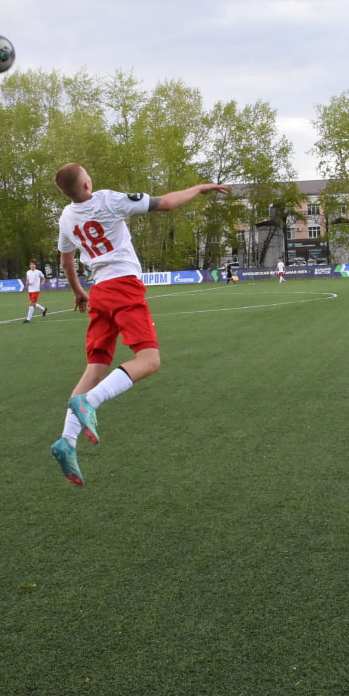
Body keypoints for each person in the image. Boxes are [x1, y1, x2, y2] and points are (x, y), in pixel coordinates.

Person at [49, 162, 228, 486]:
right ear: (87, 184)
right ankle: (90, 402)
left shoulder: (66, 217)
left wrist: (79, 291)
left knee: (94, 370)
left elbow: (66, 259)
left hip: (99, 292)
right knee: (149, 360)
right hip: (122, 287)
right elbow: (166, 203)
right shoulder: (107, 200)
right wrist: (199, 189)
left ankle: (67, 441)